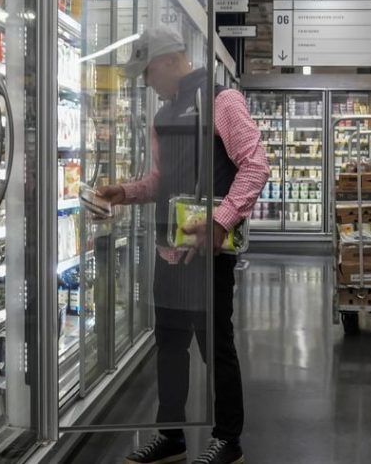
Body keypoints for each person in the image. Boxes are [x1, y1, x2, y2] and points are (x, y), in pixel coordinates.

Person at [95, 28, 268, 464]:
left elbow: (256, 165)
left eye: (148, 72)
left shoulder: (222, 101)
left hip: (208, 253)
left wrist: (220, 221)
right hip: (168, 251)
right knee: (169, 346)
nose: (146, 82)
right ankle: (170, 435)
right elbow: (161, 181)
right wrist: (127, 192)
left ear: (171, 60)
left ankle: (229, 438)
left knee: (216, 346)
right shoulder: (162, 117)